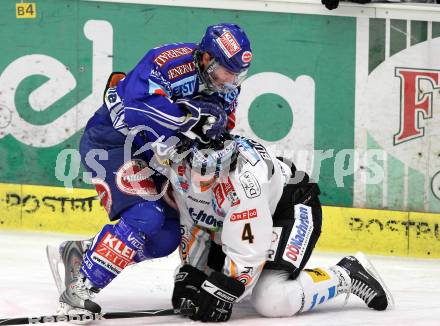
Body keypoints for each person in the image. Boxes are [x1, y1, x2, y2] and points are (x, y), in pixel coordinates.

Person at [51, 23, 253, 316]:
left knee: (165, 239)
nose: (231, 80)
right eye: (226, 71)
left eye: (237, 74)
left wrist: (214, 130)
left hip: (156, 157)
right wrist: (189, 120)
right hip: (112, 145)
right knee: (145, 216)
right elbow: (135, 108)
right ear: (207, 58)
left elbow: (220, 127)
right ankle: (81, 285)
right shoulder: (166, 62)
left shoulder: (227, 85)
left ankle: (84, 254)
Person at [168, 134, 394, 322]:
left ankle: (346, 274)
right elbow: (194, 222)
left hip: (289, 209)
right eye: (195, 169)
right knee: (204, 282)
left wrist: (227, 290)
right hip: (245, 219)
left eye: (209, 174)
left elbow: (249, 251)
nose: (199, 182)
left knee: (271, 299)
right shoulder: (179, 169)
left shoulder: (245, 185)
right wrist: (193, 271)